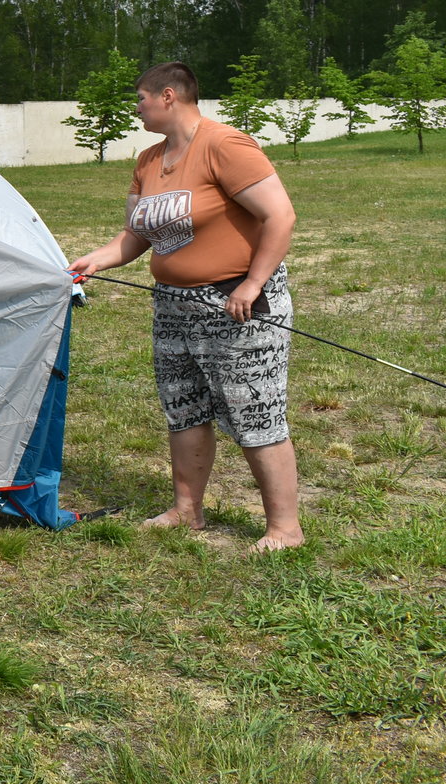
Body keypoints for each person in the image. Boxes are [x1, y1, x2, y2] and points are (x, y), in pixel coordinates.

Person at [66, 61, 305, 553]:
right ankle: (186, 510)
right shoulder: (149, 160)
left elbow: (280, 215)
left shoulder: (225, 145)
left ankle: (285, 529)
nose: (137, 109)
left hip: (238, 304)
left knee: (254, 411)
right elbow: (135, 236)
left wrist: (252, 283)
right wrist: (96, 260)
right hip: (174, 306)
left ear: (168, 96)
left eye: (141, 99)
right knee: (184, 407)